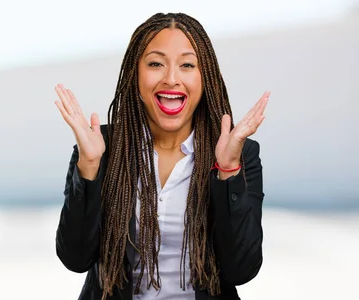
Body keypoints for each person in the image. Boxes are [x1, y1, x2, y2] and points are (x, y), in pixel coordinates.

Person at [53, 12, 268, 300]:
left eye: (187, 65)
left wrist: (227, 171)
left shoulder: (241, 153)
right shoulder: (100, 147)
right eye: (155, 63)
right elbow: (75, 259)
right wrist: (89, 167)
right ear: (135, 73)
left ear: (205, 78)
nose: (171, 79)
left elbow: (241, 270)